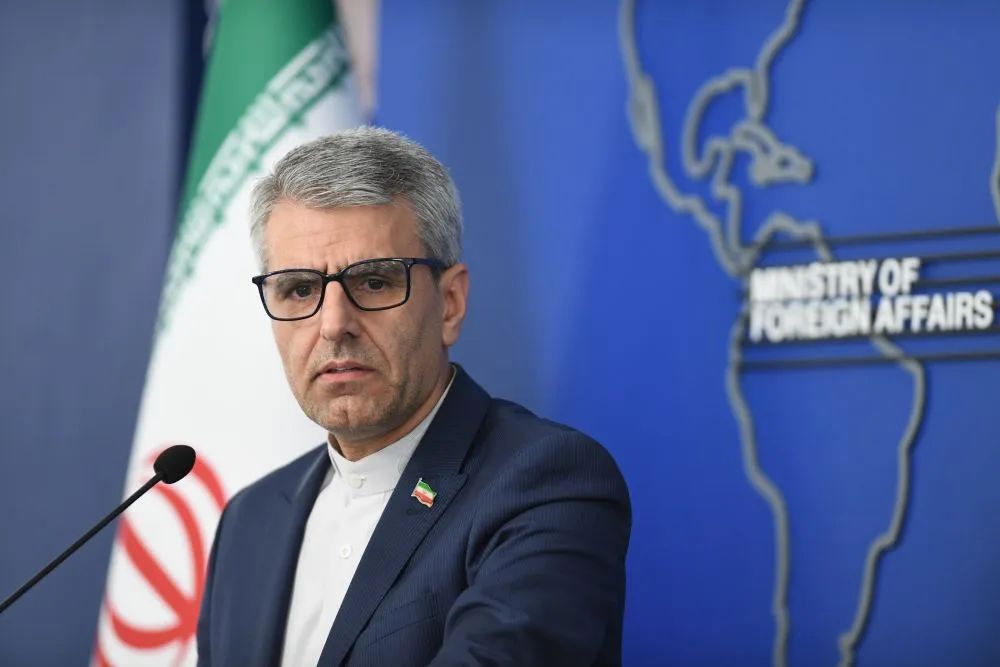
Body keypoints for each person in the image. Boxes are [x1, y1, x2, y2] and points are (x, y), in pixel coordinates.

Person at [196, 127, 631, 666]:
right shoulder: (251, 518)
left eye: (374, 282)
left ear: (449, 303)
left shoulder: (545, 482)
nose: (333, 324)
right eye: (300, 289)